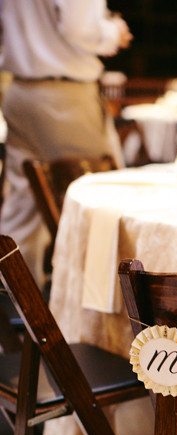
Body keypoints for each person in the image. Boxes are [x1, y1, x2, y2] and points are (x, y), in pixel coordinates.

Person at [0, 1, 132, 287]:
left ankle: (17, 309)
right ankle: (94, 318)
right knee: (103, 203)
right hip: (64, 97)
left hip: (22, 90)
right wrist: (113, 32)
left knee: (23, 205)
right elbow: (79, 28)